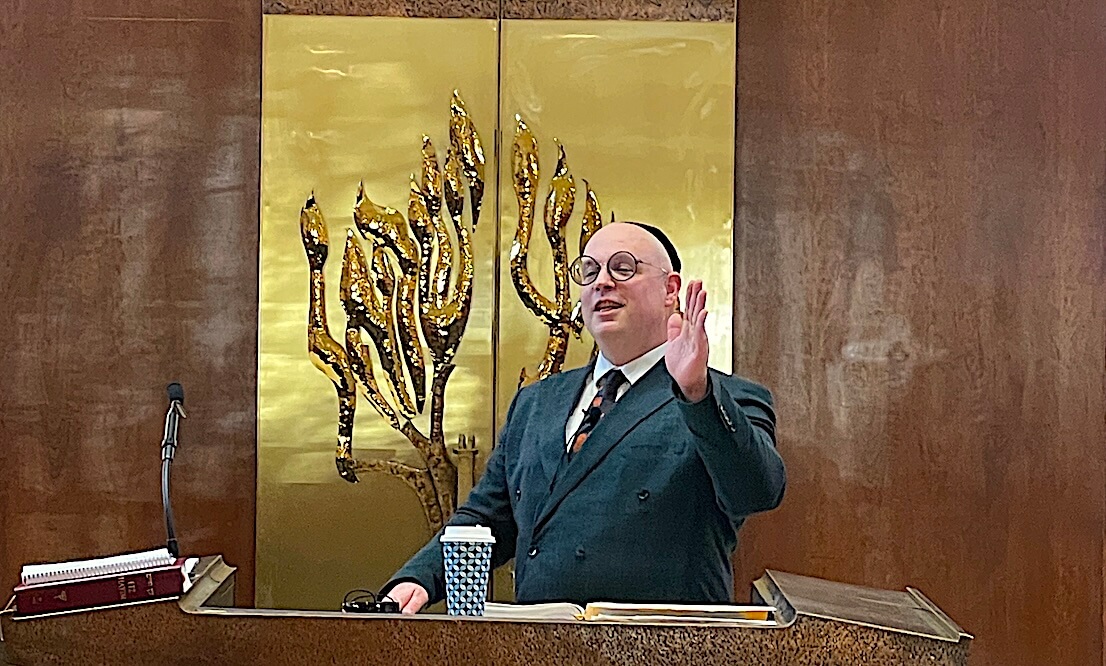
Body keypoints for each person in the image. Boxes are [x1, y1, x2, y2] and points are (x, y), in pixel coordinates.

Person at [382, 221, 785, 613]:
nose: (602, 282)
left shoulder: (723, 397)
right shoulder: (537, 402)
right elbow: (487, 518)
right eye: (589, 271)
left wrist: (697, 393)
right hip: (539, 641)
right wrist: (418, 579)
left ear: (670, 290)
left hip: (659, 645)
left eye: (623, 268)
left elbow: (756, 492)